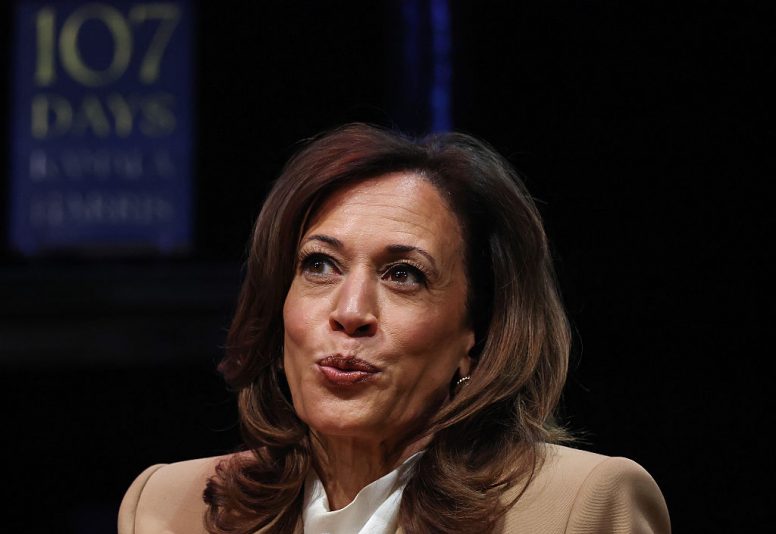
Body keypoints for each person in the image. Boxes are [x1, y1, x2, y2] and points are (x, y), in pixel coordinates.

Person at [118, 123, 670, 533]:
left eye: (403, 274)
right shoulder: (169, 507)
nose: (351, 311)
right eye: (319, 264)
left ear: (476, 334)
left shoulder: (582, 506)